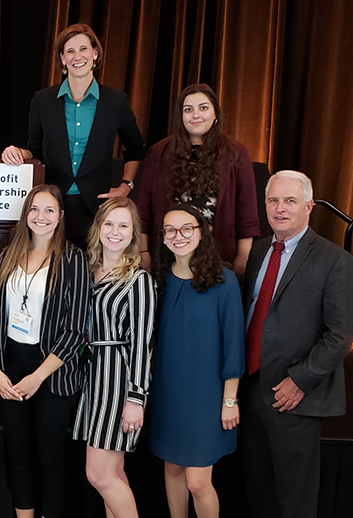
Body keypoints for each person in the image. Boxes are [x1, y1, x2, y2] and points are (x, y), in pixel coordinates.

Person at [240, 170, 353, 518]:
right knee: (257, 489)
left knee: (295, 498)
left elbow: (342, 332)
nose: (280, 208)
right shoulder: (261, 249)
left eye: (290, 201)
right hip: (252, 388)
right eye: (273, 200)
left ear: (309, 206)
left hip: (294, 396)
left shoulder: (335, 260)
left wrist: (300, 380)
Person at [0, 184, 90, 518]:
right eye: (34, 209)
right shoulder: (8, 255)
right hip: (9, 368)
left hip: (51, 372)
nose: (40, 217)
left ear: (60, 216)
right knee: (18, 455)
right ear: (25, 214)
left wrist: (37, 377)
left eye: (48, 210)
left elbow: (76, 331)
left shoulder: (73, 259)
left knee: (51, 458)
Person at [1, 23, 146, 246]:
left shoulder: (115, 102)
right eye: (69, 51)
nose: (77, 56)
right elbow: (36, 149)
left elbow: (135, 150)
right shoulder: (43, 100)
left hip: (96, 209)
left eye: (83, 49)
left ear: (95, 54)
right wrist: (18, 151)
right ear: (62, 59)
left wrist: (125, 186)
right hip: (52, 209)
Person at [148, 204, 245, 518]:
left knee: (198, 482)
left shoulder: (224, 281)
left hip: (207, 397)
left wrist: (229, 400)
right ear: (162, 238)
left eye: (187, 228)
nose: (179, 236)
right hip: (167, 393)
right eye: (170, 230)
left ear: (202, 233)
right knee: (173, 468)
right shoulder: (159, 280)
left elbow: (233, 343)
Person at [71, 197, 156, 518]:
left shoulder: (138, 280)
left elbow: (142, 344)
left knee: (99, 474)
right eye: (109, 223)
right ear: (98, 228)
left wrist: (136, 399)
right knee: (114, 473)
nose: (115, 231)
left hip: (119, 383)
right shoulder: (88, 271)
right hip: (93, 379)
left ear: (134, 233)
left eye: (124, 225)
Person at [135, 83, 260, 276]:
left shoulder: (236, 153)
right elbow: (143, 211)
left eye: (203, 108)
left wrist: (243, 257)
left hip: (218, 257)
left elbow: (247, 213)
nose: (196, 115)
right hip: (167, 257)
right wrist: (143, 252)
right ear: (180, 116)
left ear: (215, 114)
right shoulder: (159, 152)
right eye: (188, 109)